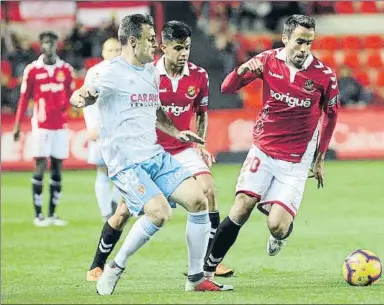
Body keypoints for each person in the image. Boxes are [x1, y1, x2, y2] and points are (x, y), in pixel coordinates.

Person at [70, 13, 232, 294]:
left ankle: (195, 279)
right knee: (160, 213)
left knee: (198, 200)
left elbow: (156, 110)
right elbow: (88, 93)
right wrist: (81, 97)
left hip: (154, 154)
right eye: (149, 40)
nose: (156, 46)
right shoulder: (108, 72)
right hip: (126, 163)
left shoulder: (149, 73)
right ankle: (114, 267)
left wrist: (177, 133)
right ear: (133, 42)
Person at [203, 15, 340, 282]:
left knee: (277, 226)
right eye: (299, 42)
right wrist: (244, 69)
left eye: (309, 43)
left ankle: (282, 234)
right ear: (285, 38)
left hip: (296, 161)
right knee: (242, 206)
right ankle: (206, 271)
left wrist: (320, 158)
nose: (304, 49)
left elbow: (331, 115)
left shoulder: (324, 76)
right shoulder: (267, 61)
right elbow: (227, 87)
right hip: (263, 150)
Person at [13, 31, 74, 227]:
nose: (49, 46)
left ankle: (53, 214)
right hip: (41, 125)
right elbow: (24, 98)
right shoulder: (32, 70)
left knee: (57, 168)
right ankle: (38, 215)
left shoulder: (66, 70)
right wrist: (17, 125)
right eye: (46, 43)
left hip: (60, 125)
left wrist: (71, 106)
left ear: (57, 45)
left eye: (52, 43)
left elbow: (72, 96)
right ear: (41, 45)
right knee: (40, 166)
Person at [83, 38, 122, 221]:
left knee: (125, 170)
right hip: (101, 130)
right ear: (103, 53)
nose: (114, 53)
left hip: (122, 130)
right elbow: (86, 102)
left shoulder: (127, 71)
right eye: (110, 50)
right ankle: (106, 211)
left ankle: (114, 202)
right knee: (102, 169)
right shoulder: (94, 73)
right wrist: (91, 126)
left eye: (117, 50)